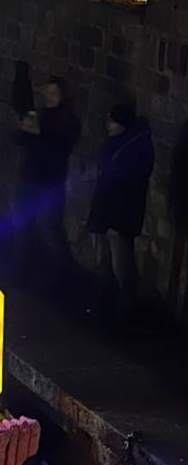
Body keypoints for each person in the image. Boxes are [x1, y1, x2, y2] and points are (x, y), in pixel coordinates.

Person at [87, 103, 154, 325]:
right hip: (106, 213)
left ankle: (125, 309)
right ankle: (103, 305)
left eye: (113, 121)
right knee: (105, 262)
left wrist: (116, 222)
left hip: (117, 218)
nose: (108, 125)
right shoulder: (118, 146)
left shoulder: (133, 151)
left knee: (120, 265)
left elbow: (128, 192)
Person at [14, 78, 80, 285]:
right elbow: (21, 140)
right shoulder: (41, 115)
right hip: (30, 178)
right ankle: (22, 272)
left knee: (50, 228)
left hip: (49, 182)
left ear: (63, 96)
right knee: (22, 225)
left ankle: (65, 274)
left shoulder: (69, 121)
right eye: (47, 93)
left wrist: (38, 134)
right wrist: (24, 129)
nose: (49, 97)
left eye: (54, 93)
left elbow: (57, 149)